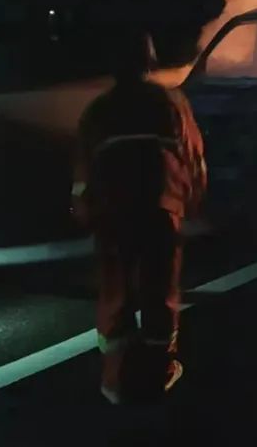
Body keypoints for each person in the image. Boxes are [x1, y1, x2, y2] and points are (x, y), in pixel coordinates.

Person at [72, 29, 207, 405]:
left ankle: (114, 381)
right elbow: (193, 158)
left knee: (115, 293)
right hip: (160, 212)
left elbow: (82, 174)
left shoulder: (97, 111)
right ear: (149, 61)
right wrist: (193, 203)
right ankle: (158, 374)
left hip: (111, 215)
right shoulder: (171, 103)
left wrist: (84, 213)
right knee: (158, 293)